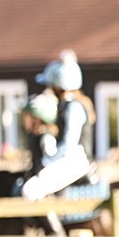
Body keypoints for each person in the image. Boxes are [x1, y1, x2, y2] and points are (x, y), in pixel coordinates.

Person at [20, 51, 94, 201]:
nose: (48, 89)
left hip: (74, 161)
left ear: (59, 86)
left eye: (51, 86)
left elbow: (69, 143)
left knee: (29, 190)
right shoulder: (65, 106)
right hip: (69, 159)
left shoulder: (73, 107)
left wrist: (47, 161)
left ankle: (55, 225)